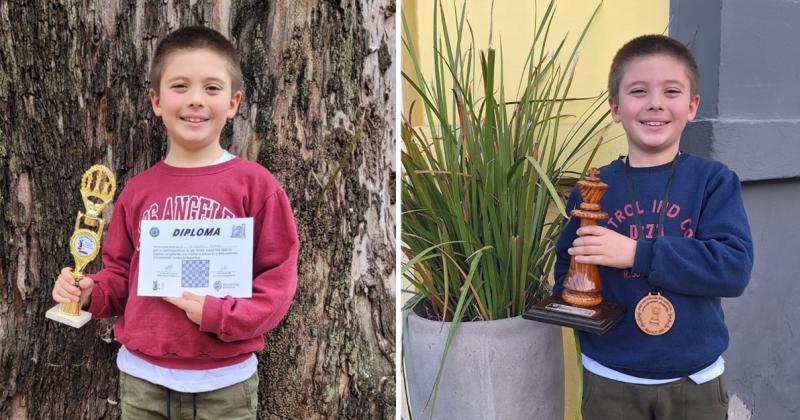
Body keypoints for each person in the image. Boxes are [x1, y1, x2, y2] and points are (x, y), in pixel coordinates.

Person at [51, 26, 299, 419]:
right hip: (143, 381)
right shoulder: (137, 192)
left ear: (233, 102)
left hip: (226, 385)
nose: (196, 100)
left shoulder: (257, 187)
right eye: (180, 86)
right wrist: (86, 290)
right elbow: (119, 277)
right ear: (156, 100)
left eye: (212, 88)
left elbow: (277, 280)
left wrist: (221, 315)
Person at [553, 34, 753, 420]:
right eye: (638, 91)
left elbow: (734, 268)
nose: (655, 103)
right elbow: (568, 268)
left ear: (692, 106)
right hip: (609, 376)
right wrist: (568, 297)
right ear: (615, 107)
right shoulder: (592, 190)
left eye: (672, 91)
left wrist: (634, 253)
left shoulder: (713, 181)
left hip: (694, 380)